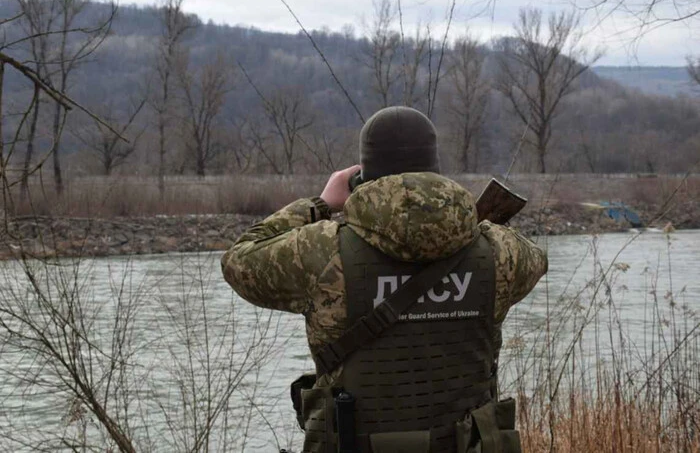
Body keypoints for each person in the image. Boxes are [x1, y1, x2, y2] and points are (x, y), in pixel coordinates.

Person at [221, 106, 548, 453]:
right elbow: (537, 260)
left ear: (362, 178)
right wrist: (462, 220)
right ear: (435, 172)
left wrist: (319, 203)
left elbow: (238, 260)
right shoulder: (499, 253)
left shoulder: (320, 251)